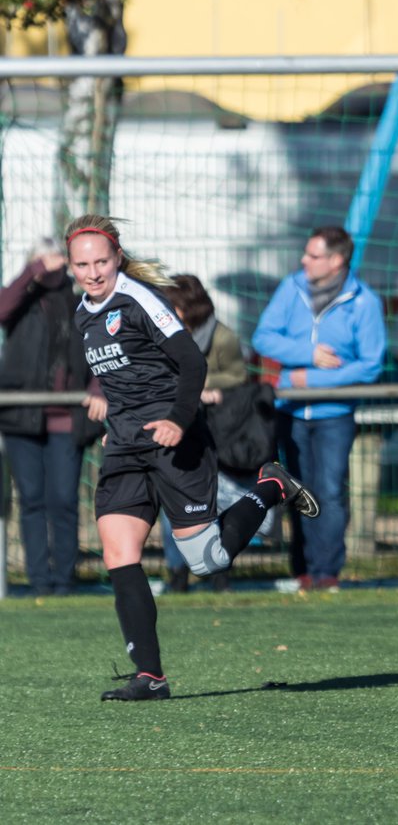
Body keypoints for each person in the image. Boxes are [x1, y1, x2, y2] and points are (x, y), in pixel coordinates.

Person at [67, 214, 320, 702]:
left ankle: (272, 485)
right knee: (119, 553)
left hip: (173, 439)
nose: (94, 272)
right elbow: (122, 372)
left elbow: (191, 362)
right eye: (83, 264)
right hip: (124, 444)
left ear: (117, 257)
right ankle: (150, 676)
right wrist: (111, 415)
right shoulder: (82, 311)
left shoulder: (140, 300)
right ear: (72, 268)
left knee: (207, 560)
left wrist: (179, 422)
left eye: (101, 261)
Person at [252, 226, 386, 592]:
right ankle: (303, 571)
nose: (304, 261)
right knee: (294, 491)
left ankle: (328, 573)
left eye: (313, 255)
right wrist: (307, 356)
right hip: (290, 412)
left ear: (336, 260)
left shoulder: (364, 302)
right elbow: (263, 336)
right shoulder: (291, 288)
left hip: (334, 416)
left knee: (327, 492)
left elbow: (371, 365)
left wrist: (315, 382)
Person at [0, 237, 107, 596]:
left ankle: (64, 580)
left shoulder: (79, 303)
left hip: (67, 421)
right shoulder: (21, 302)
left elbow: (97, 352)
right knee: (31, 499)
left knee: (63, 499)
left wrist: (96, 390)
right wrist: (32, 270)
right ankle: (38, 581)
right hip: (21, 419)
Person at [159, 274, 276, 593]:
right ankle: (177, 571)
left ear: (189, 306)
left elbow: (237, 376)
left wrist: (205, 386)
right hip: (178, 427)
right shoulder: (162, 333)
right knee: (173, 503)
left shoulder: (222, 337)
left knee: (215, 501)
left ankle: (220, 570)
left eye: (174, 304)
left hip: (217, 431)